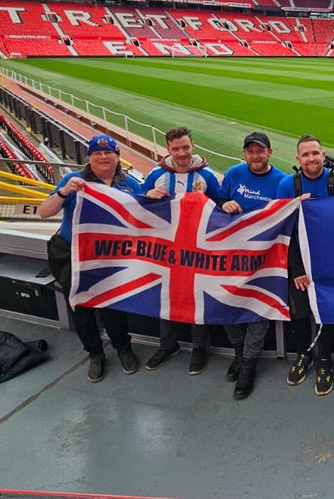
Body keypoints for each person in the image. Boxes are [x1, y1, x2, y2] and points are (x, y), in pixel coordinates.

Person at [40, 134, 143, 383]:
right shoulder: (74, 181)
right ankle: (95, 354)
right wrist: (63, 192)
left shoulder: (129, 184)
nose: (103, 157)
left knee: (112, 304)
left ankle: (123, 347)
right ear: (90, 157)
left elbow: (144, 216)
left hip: (110, 256)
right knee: (81, 307)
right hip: (72, 253)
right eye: (97, 153)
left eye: (109, 153)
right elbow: (44, 212)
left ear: (118, 157)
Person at [275, 134, 334, 396]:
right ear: (298, 159)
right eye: (306, 154)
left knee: (324, 311)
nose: (311, 158)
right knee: (298, 312)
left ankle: (324, 360)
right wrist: (297, 268)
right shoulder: (288, 185)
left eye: (315, 153)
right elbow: (283, 229)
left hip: (329, 260)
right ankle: (303, 355)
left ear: (323, 155)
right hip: (299, 258)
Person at [141, 126, 222, 376]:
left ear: (193, 146)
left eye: (185, 147)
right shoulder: (156, 175)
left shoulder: (206, 176)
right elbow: (138, 206)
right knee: (167, 295)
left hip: (198, 250)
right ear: (168, 150)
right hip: (165, 251)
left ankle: (200, 347)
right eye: (176, 149)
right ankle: (168, 345)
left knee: (196, 296)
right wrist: (147, 195)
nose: (182, 153)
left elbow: (218, 209)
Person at [218, 131, 289, 400]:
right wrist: (225, 203)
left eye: (260, 150)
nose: (255, 155)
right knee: (225, 300)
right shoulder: (234, 174)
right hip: (232, 255)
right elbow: (216, 202)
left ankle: (248, 363)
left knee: (258, 306)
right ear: (244, 153)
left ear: (270, 152)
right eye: (250, 151)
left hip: (265, 259)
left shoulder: (281, 181)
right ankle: (238, 351)